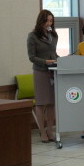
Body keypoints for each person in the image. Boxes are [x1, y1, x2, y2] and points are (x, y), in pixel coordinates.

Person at [27, 9, 58, 143]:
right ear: (41, 21)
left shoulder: (53, 35)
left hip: (53, 71)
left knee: (51, 103)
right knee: (41, 103)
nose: (49, 23)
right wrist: (45, 62)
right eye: (47, 20)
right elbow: (32, 57)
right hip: (40, 71)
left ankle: (50, 130)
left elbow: (53, 53)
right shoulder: (32, 36)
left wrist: (60, 60)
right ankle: (42, 131)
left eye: (51, 21)